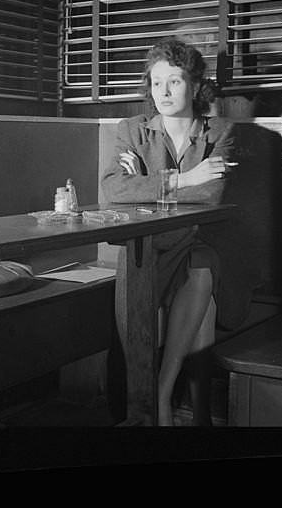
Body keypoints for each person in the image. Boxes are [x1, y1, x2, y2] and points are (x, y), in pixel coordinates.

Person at [101, 37, 243, 426]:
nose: (163, 91)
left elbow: (211, 194)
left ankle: (162, 394)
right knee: (179, 291)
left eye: (175, 81)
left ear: (196, 87)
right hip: (146, 247)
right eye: (157, 82)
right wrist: (185, 178)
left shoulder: (220, 131)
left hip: (198, 239)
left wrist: (147, 183)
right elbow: (113, 189)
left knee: (201, 267)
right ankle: (180, 412)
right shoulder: (132, 129)